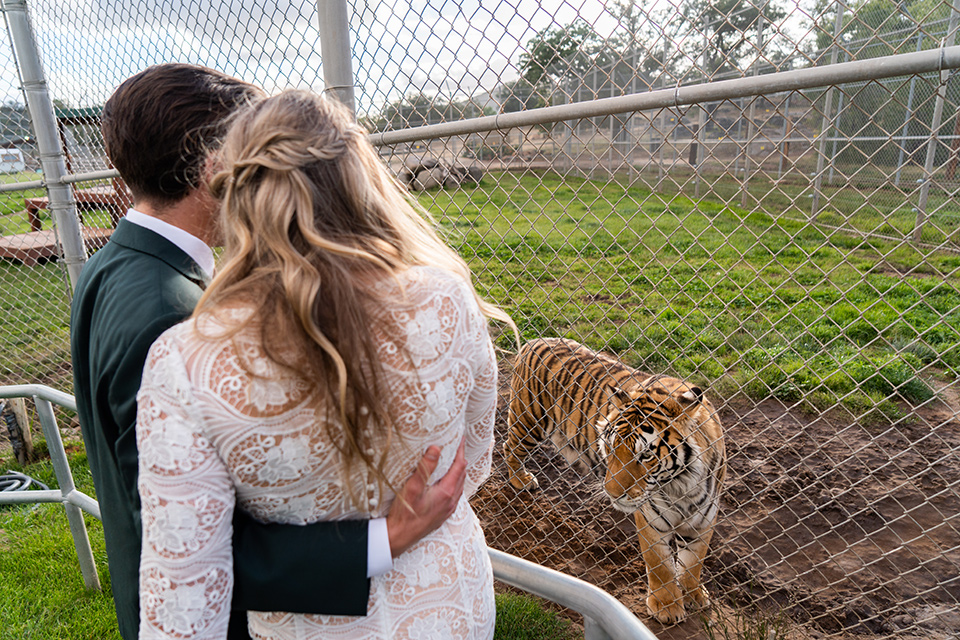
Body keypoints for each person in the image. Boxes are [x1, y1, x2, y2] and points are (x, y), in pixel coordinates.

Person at [70, 64, 468, 640]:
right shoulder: (174, 319)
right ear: (215, 165)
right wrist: (386, 539)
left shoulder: (112, 265)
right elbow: (195, 534)